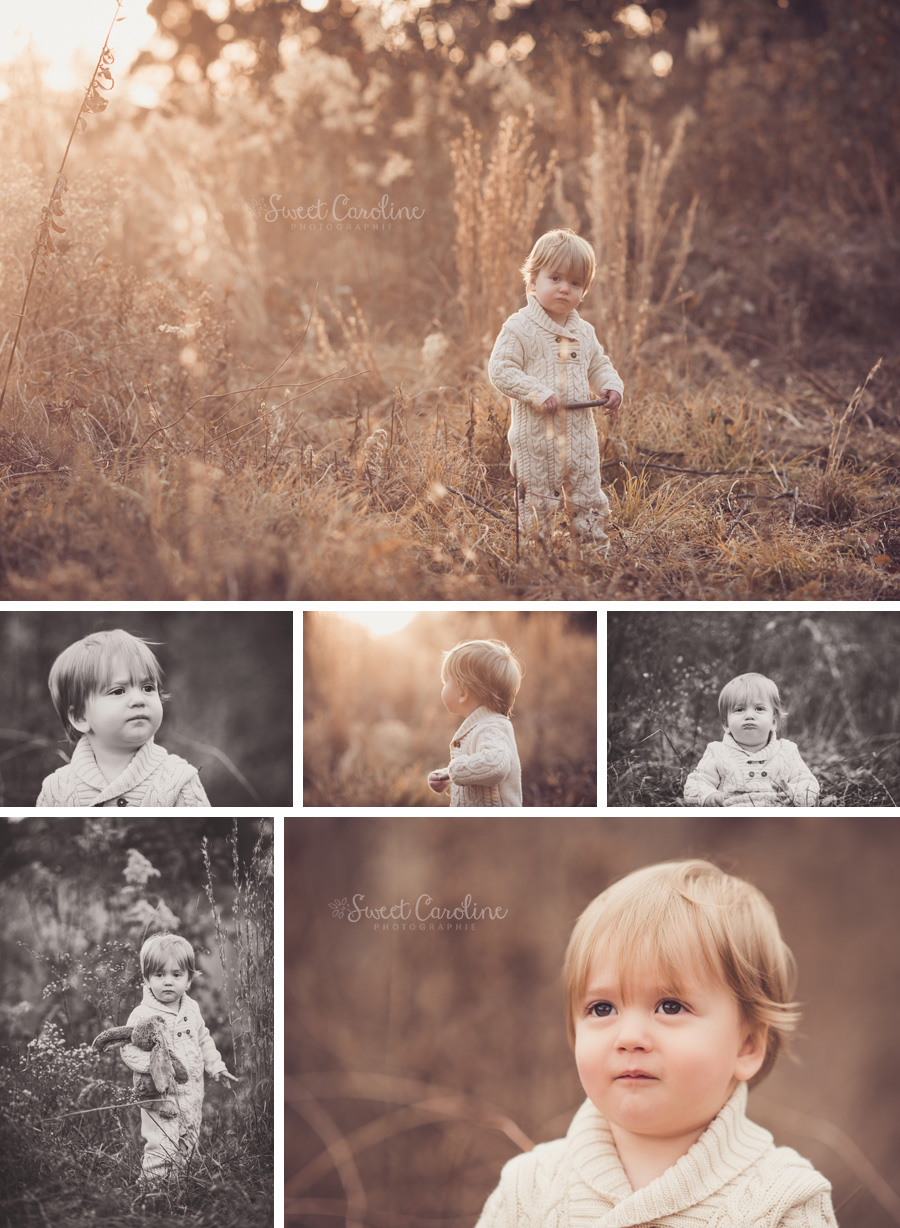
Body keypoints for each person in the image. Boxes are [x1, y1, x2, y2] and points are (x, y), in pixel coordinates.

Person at [475, 860, 837, 1226]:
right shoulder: (528, 1190)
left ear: (746, 1046)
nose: (629, 1038)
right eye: (602, 1008)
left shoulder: (784, 1202)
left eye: (670, 1006)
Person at [488, 228, 624, 547]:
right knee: (537, 500)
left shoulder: (584, 331)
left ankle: (593, 547)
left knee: (587, 494)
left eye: (575, 283)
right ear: (533, 282)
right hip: (536, 440)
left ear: (584, 290)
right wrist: (537, 391)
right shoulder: (519, 327)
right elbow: (501, 369)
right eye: (556, 278)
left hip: (580, 436)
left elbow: (599, 364)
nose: (565, 288)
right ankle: (536, 552)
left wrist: (610, 387)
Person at [37, 628, 210, 807]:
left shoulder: (179, 780)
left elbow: (202, 834)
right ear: (80, 717)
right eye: (118, 691)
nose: (138, 699)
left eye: (148, 688)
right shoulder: (56, 790)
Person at [121, 933, 238, 1186]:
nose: (167, 982)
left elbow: (203, 1038)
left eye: (176, 975)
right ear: (146, 978)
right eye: (159, 975)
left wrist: (215, 1065)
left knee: (188, 1140)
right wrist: (153, 1067)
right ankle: (152, 1189)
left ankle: (182, 1184)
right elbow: (128, 1049)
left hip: (192, 1093)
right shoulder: (142, 1014)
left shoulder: (191, 1008)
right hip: (160, 1096)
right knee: (161, 1142)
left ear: (188, 980)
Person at [684, 672, 819, 807]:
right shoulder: (717, 752)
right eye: (739, 709)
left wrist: (794, 792)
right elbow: (696, 783)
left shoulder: (787, 751)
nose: (749, 715)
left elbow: (809, 785)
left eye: (759, 708)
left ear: (774, 721)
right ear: (726, 724)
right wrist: (708, 795)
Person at [427, 639, 523, 807]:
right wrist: (446, 778)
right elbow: (477, 775)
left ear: (463, 692)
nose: (443, 686)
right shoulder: (478, 726)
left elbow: (495, 765)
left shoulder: (492, 727)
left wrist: (454, 770)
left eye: (445, 681)